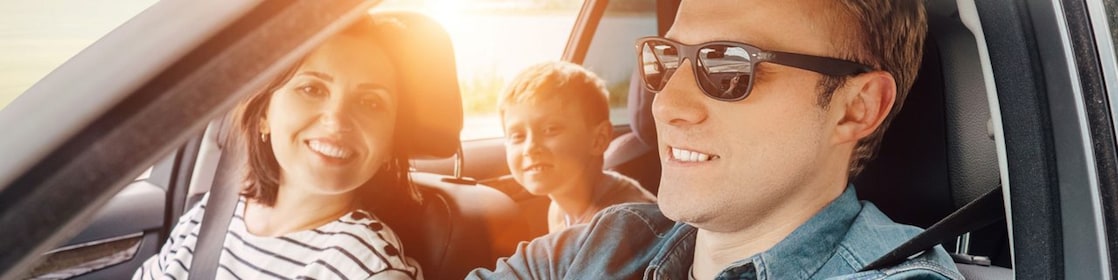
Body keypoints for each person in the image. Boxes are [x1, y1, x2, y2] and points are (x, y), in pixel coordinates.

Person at [468, 0, 963, 279]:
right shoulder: (606, 241)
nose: (666, 104)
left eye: (728, 64)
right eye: (664, 58)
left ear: (856, 108)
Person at [134, 14, 423, 280]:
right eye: (312, 89)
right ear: (263, 116)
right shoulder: (214, 211)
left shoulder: (369, 268)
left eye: (370, 103)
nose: (336, 122)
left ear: (390, 143)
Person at [499, 61, 656, 233]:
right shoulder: (559, 210)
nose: (530, 147)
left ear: (599, 139)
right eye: (517, 136)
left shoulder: (624, 223)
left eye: (550, 130)